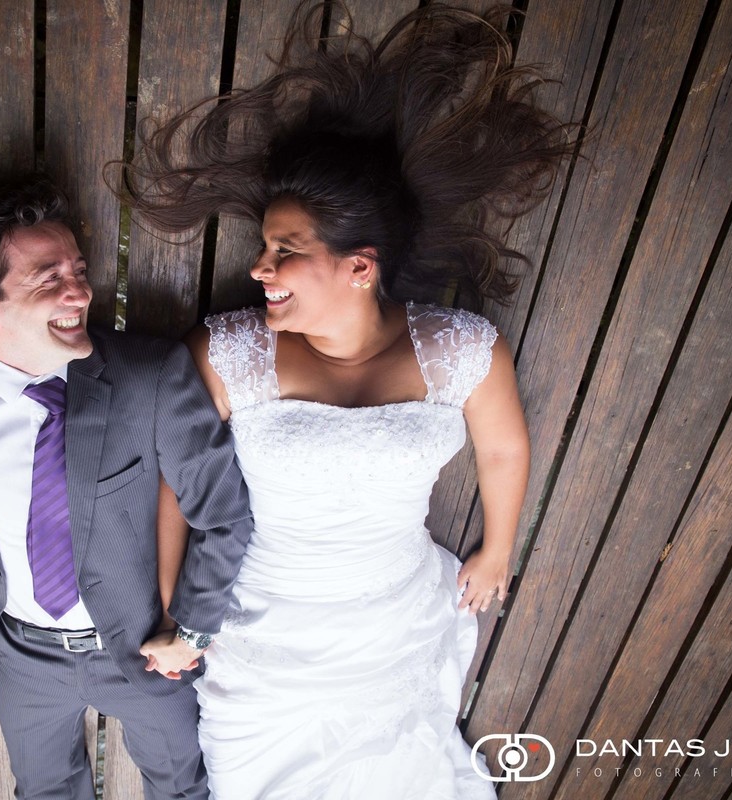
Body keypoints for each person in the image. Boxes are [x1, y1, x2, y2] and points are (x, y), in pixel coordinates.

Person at [121, 4, 573, 797]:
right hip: (263, 634)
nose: (260, 268)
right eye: (264, 247)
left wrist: (497, 549)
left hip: (393, 619)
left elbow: (503, 448)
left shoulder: (462, 352)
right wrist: (174, 614)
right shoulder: (227, 355)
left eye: (284, 251)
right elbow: (171, 485)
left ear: (360, 268)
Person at [0, 173, 253, 800]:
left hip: (143, 652)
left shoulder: (150, 376)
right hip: (21, 654)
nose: (80, 291)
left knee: (182, 789)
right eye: (48, 278)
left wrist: (191, 632)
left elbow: (224, 514)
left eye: (79, 270)